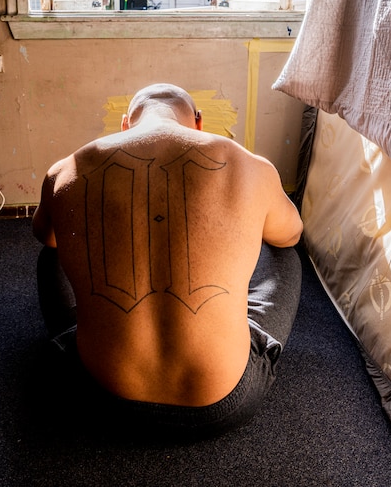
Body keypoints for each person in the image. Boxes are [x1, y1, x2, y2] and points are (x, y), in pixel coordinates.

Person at [32, 83, 304, 438]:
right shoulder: (248, 164)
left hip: (98, 395)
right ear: (199, 122)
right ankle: (233, 337)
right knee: (284, 250)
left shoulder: (67, 170)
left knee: (50, 254)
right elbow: (291, 233)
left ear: (126, 123)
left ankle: (87, 339)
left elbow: (45, 236)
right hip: (223, 402)